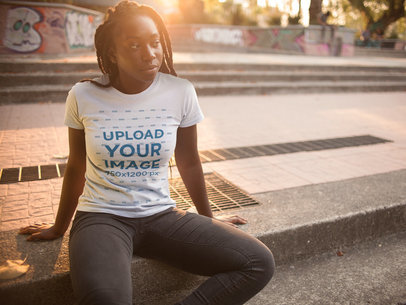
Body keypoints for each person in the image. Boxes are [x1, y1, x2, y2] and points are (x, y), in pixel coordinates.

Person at [19, 1, 275, 305]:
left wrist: (209, 218)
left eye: (155, 43)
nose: (150, 53)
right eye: (135, 45)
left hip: (161, 216)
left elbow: (189, 161)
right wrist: (59, 226)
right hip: (102, 218)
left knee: (259, 261)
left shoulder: (180, 92)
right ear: (112, 52)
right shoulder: (83, 95)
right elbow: (76, 166)